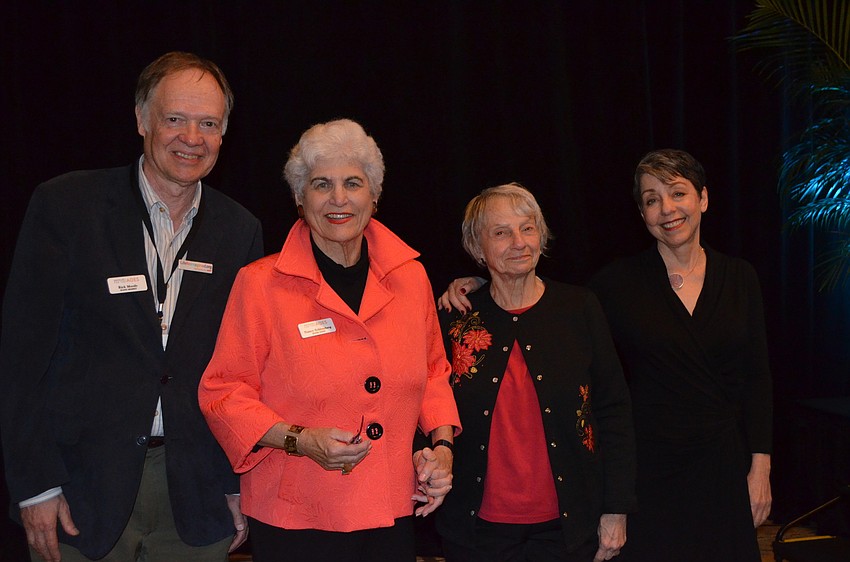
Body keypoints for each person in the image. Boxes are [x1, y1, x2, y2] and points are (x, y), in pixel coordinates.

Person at [442, 151, 773, 562]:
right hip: (649, 472)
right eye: (652, 199)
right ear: (642, 212)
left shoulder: (741, 278)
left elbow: (758, 377)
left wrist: (761, 466)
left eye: (678, 193)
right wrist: (477, 284)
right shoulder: (613, 286)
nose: (667, 209)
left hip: (722, 463)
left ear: (703, 199)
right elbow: (538, 309)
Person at [0, 52, 263, 562]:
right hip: (79, 492)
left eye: (208, 123)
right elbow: (20, 359)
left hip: (195, 495)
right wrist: (34, 484)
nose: (192, 137)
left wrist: (237, 483)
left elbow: (243, 370)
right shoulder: (66, 206)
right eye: (176, 119)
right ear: (142, 120)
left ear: (224, 133)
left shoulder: (240, 230)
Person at [198, 118, 461, 562]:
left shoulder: (410, 277)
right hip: (296, 516)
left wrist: (442, 448)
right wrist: (300, 439)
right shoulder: (259, 285)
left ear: (374, 196)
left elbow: (435, 371)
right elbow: (223, 392)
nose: (338, 199)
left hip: (391, 508)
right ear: (300, 200)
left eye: (353, 183)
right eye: (321, 185)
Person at [435, 183, 636, 562]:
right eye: (501, 232)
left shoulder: (579, 307)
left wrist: (616, 509)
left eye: (528, 228)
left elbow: (614, 412)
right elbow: (427, 405)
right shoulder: (456, 317)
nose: (519, 242)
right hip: (477, 530)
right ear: (477, 248)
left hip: (567, 528)